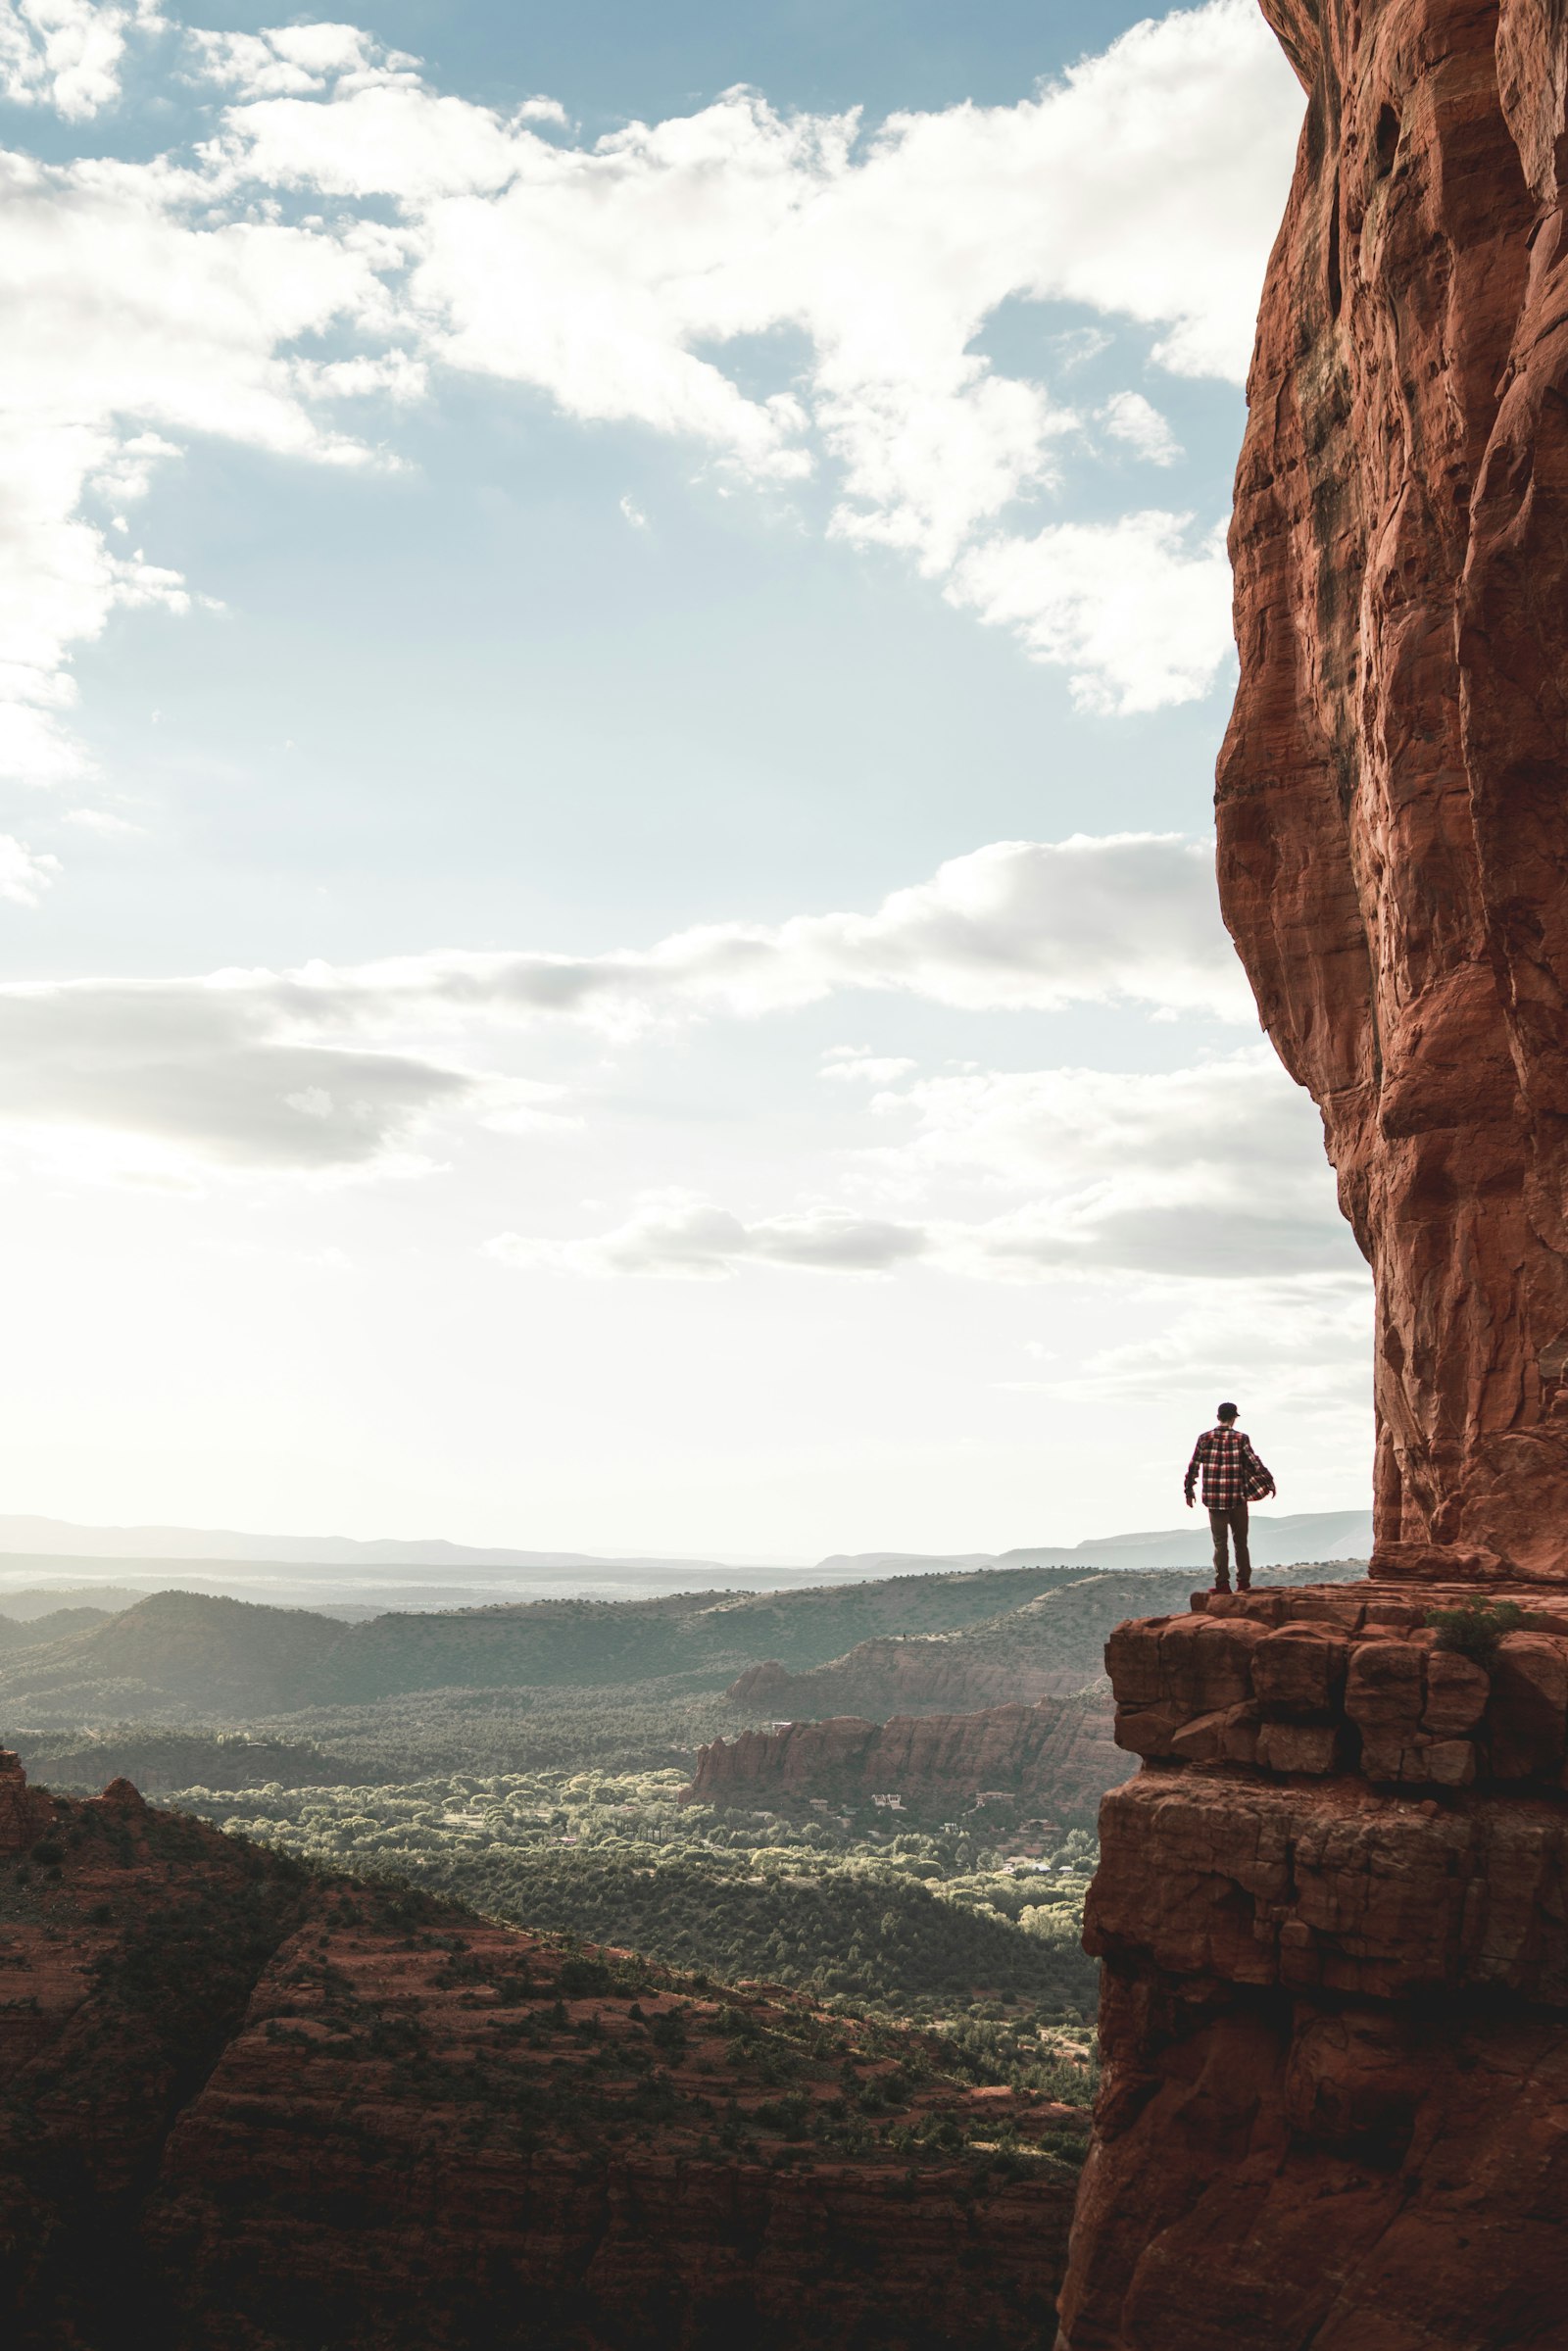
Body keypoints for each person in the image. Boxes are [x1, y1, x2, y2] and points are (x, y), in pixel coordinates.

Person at [1183, 1401, 1275, 1592]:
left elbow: (1193, 1466)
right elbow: (1254, 1462)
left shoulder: (1204, 1438)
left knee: (1220, 1543)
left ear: (1218, 1417)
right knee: (1241, 1543)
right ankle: (1243, 1584)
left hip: (1214, 1499)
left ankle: (1223, 1584)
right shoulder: (1241, 1439)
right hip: (1237, 1498)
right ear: (1234, 1418)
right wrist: (1269, 1481)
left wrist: (1189, 1490)